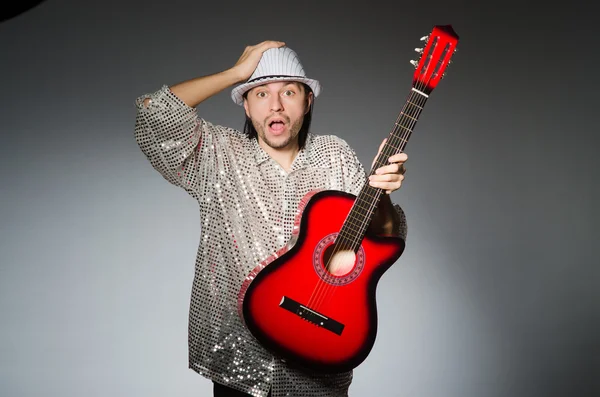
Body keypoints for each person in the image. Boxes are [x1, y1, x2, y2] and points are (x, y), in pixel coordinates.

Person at [133, 40, 408, 397]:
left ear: (308, 101)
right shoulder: (218, 154)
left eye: (288, 92)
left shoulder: (335, 154)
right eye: (261, 93)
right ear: (246, 106)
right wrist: (235, 73)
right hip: (240, 369)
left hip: (321, 364)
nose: (275, 105)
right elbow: (153, 115)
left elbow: (382, 237)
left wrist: (383, 192)